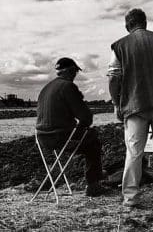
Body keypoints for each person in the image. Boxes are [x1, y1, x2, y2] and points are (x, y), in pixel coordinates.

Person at [108, 8, 153, 209]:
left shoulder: (120, 46)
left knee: (133, 152)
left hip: (134, 107)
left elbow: (114, 77)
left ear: (127, 26)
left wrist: (117, 104)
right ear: (145, 22)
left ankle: (131, 199)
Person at [36, 57, 108, 197]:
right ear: (70, 71)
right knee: (93, 142)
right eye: (75, 71)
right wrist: (82, 128)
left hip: (42, 138)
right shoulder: (68, 86)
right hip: (59, 136)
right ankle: (93, 185)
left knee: (86, 137)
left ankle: (96, 175)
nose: (75, 75)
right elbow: (86, 118)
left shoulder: (47, 87)